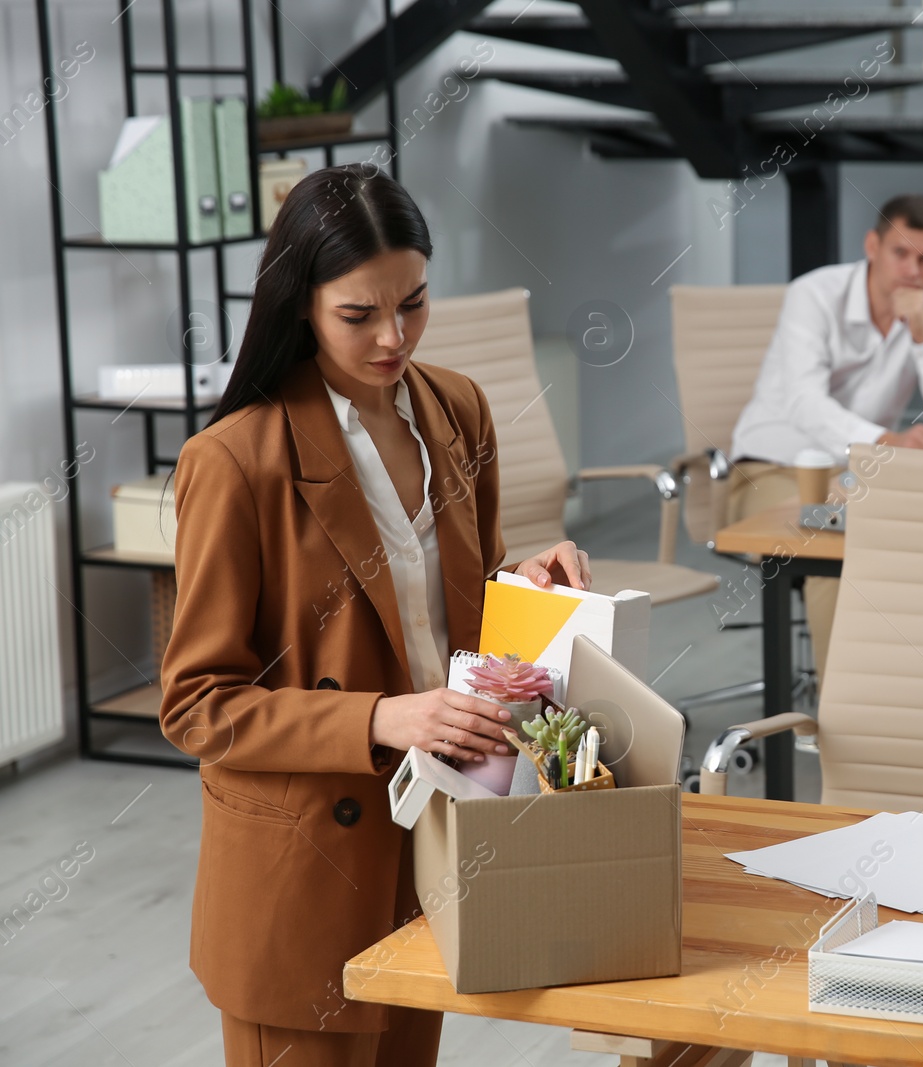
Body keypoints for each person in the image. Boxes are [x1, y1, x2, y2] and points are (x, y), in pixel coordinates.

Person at [159, 165, 591, 1066]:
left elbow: (447, 611)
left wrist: (529, 582)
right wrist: (381, 717)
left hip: (428, 834)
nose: (394, 337)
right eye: (359, 316)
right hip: (303, 866)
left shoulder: (459, 410)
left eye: (415, 304)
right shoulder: (235, 461)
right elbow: (197, 702)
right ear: (300, 304)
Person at [727, 193, 923, 676]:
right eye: (900, 253)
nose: (912, 270)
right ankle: (835, 716)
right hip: (770, 466)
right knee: (832, 546)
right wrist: (889, 441)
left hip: (856, 470)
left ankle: (907, 685)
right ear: (872, 246)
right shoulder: (814, 293)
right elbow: (804, 402)